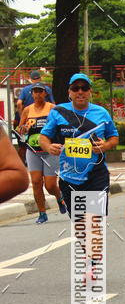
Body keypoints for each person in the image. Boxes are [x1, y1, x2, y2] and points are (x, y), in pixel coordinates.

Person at [39, 73, 118, 219]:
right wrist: (48, 147)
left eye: (84, 88)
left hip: (96, 175)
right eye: (75, 88)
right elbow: (43, 137)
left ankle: (93, 233)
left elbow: (114, 138)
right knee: (80, 224)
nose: (80, 92)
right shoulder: (58, 112)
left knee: (94, 223)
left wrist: (105, 145)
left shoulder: (101, 113)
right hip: (69, 178)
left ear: (90, 91)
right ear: (69, 92)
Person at [18, 84, 67, 222]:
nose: (38, 94)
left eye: (40, 91)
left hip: (50, 150)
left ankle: (59, 197)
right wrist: (24, 129)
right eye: (35, 92)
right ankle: (42, 213)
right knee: (36, 182)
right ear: (32, 94)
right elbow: (20, 128)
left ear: (45, 93)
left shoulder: (52, 108)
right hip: (33, 151)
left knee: (50, 185)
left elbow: (62, 126)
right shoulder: (27, 110)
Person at [0, 125, 29, 202]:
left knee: (49, 184)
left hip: (40, 146)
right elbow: (19, 127)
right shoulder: (24, 115)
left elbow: (18, 176)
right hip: (26, 140)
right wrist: (22, 129)